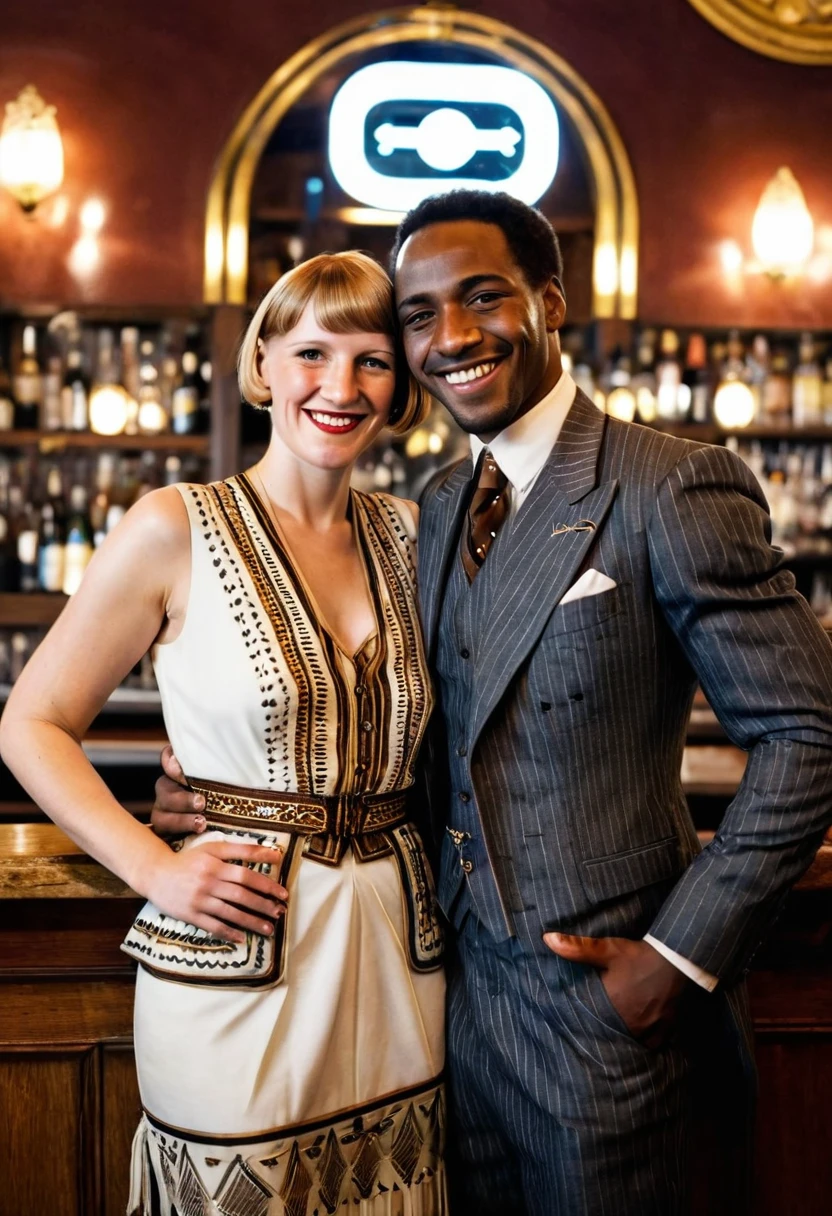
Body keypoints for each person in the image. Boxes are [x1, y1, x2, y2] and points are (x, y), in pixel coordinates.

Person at [153, 192, 832, 1215]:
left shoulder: (670, 483)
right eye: (419, 315)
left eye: (483, 298)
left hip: (609, 1020)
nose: (452, 335)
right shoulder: (425, 508)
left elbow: (806, 733)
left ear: (549, 301)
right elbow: (404, 724)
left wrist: (678, 956)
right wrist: (231, 785)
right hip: (439, 1011)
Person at [0, 251, 447, 1215]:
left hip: (400, 960)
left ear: (402, 386)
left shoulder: (418, 536)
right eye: (313, 353)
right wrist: (156, 868)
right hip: (237, 953)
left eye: (373, 361)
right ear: (263, 365)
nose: (341, 387)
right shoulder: (174, 526)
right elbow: (30, 724)